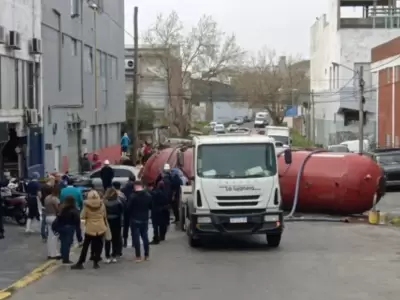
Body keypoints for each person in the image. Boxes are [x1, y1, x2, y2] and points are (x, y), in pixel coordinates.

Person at [71, 190, 107, 270]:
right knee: (99, 245)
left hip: (90, 227)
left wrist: (83, 225)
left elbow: (82, 216)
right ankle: (96, 262)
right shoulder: (102, 204)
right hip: (100, 227)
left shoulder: (86, 206)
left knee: (86, 246)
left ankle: (80, 262)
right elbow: (104, 214)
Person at [127, 184, 152, 262]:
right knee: (145, 237)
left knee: (136, 238)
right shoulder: (148, 195)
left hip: (135, 218)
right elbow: (151, 206)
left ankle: (138, 256)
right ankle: (146, 255)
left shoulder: (132, 196)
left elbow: (128, 208)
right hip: (145, 218)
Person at [57, 196, 80, 264]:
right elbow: (77, 222)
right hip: (70, 228)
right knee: (67, 243)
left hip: (62, 227)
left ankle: (63, 255)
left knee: (63, 242)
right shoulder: (74, 210)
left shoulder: (63, 209)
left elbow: (59, 218)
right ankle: (66, 259)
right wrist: (79, 236)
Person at [59, 178, 83, 244]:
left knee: (68, 224)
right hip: (76, 210)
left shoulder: (63, 190)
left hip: (65, 210)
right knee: (77, 226)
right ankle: (79, 239)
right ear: (73, 183)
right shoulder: (78, 190)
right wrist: (81, 208)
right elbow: (81, 201)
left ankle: (70, 239)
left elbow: (60, 201)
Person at [103, 188, 124, 263]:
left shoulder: (104, 203)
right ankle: (114, 255)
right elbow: (121, 211)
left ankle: (107, 256)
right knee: (115, 239)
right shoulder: (118, 202)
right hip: (116, 222)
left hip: (107, 222)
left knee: (107, 239)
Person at [44, 185, 61, 259]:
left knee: (50, 236)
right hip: (53, 217)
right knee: (55, 236)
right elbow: (58, 209)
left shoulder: (46, 198)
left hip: (47, 217)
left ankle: (49, 253)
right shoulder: (55, 199)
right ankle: (54, 253)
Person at [121, 175, 135, 247]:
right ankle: (133, 242)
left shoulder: (124, 188)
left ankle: (125, 241)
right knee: (133, 226)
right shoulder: (135, 188)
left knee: (126, 226)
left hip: (126, 209)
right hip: (133, 209)